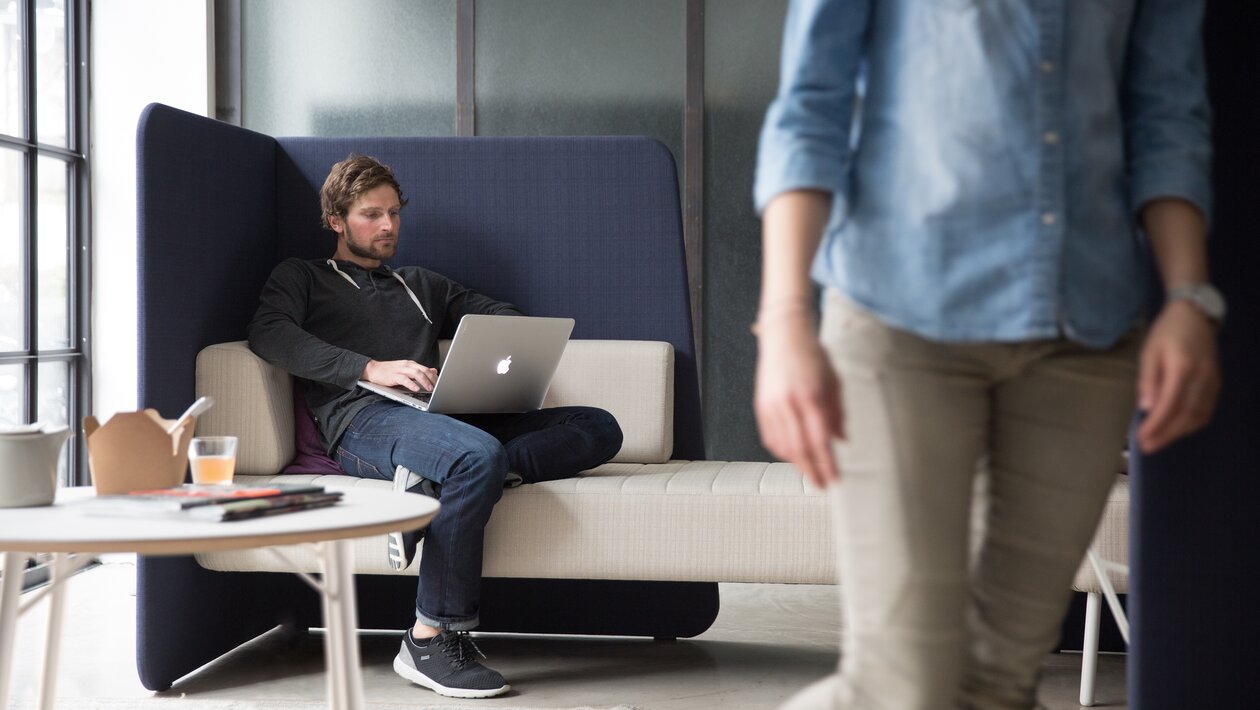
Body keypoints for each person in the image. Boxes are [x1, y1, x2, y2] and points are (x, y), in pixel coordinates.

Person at [753, 1, 1220, 708]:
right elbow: (809, 106)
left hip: (1086, 335)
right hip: (901, 316)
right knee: (900, 685)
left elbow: (1166, 109)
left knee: (1000, 684)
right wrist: (786, 319)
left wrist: (1189, 296)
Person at [247, 154, 623, 699]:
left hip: (443, 419)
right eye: (371, 215)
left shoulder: (421, 285)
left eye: (395, 214)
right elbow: (269, 334)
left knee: (598, 427)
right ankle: (427, 639)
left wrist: (474, 365)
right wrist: (371, 368)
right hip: (363, 420)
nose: (388, 227)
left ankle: (440, 482)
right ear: (336, 220)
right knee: (475, 457)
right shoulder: (302, 277)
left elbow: (508, 319)